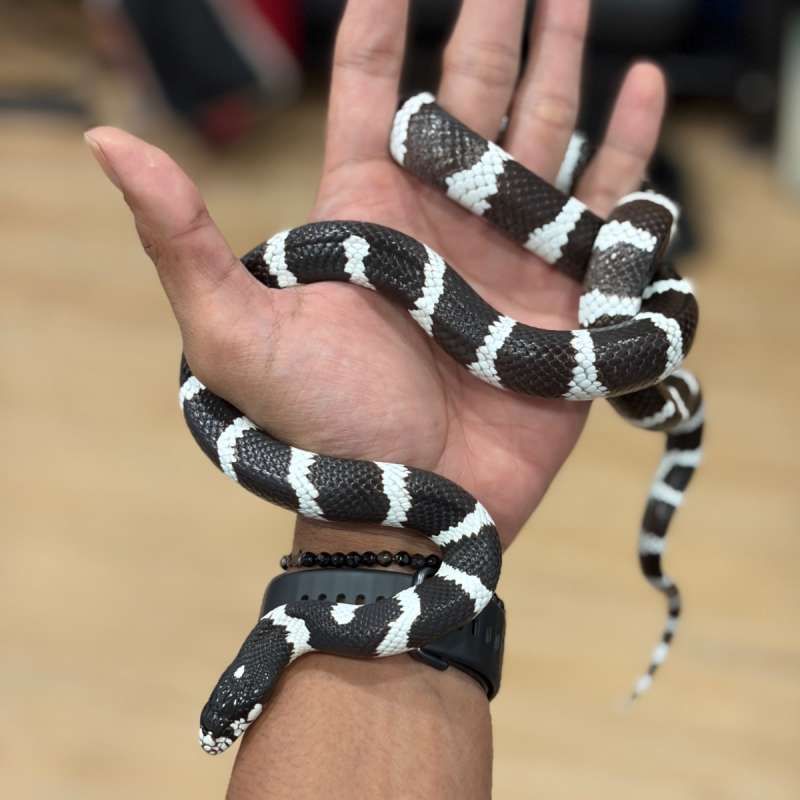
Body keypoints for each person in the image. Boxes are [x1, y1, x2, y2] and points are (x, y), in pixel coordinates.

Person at [85, 1, 666, 796]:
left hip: (397, 560)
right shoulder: (438, 541)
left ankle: (643, 238)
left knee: (625, 233)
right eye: (230, 723)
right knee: (618, 246)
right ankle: (640, 246)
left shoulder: (345, 592)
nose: (225, 731)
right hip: (411, 553)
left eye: (231, 720)